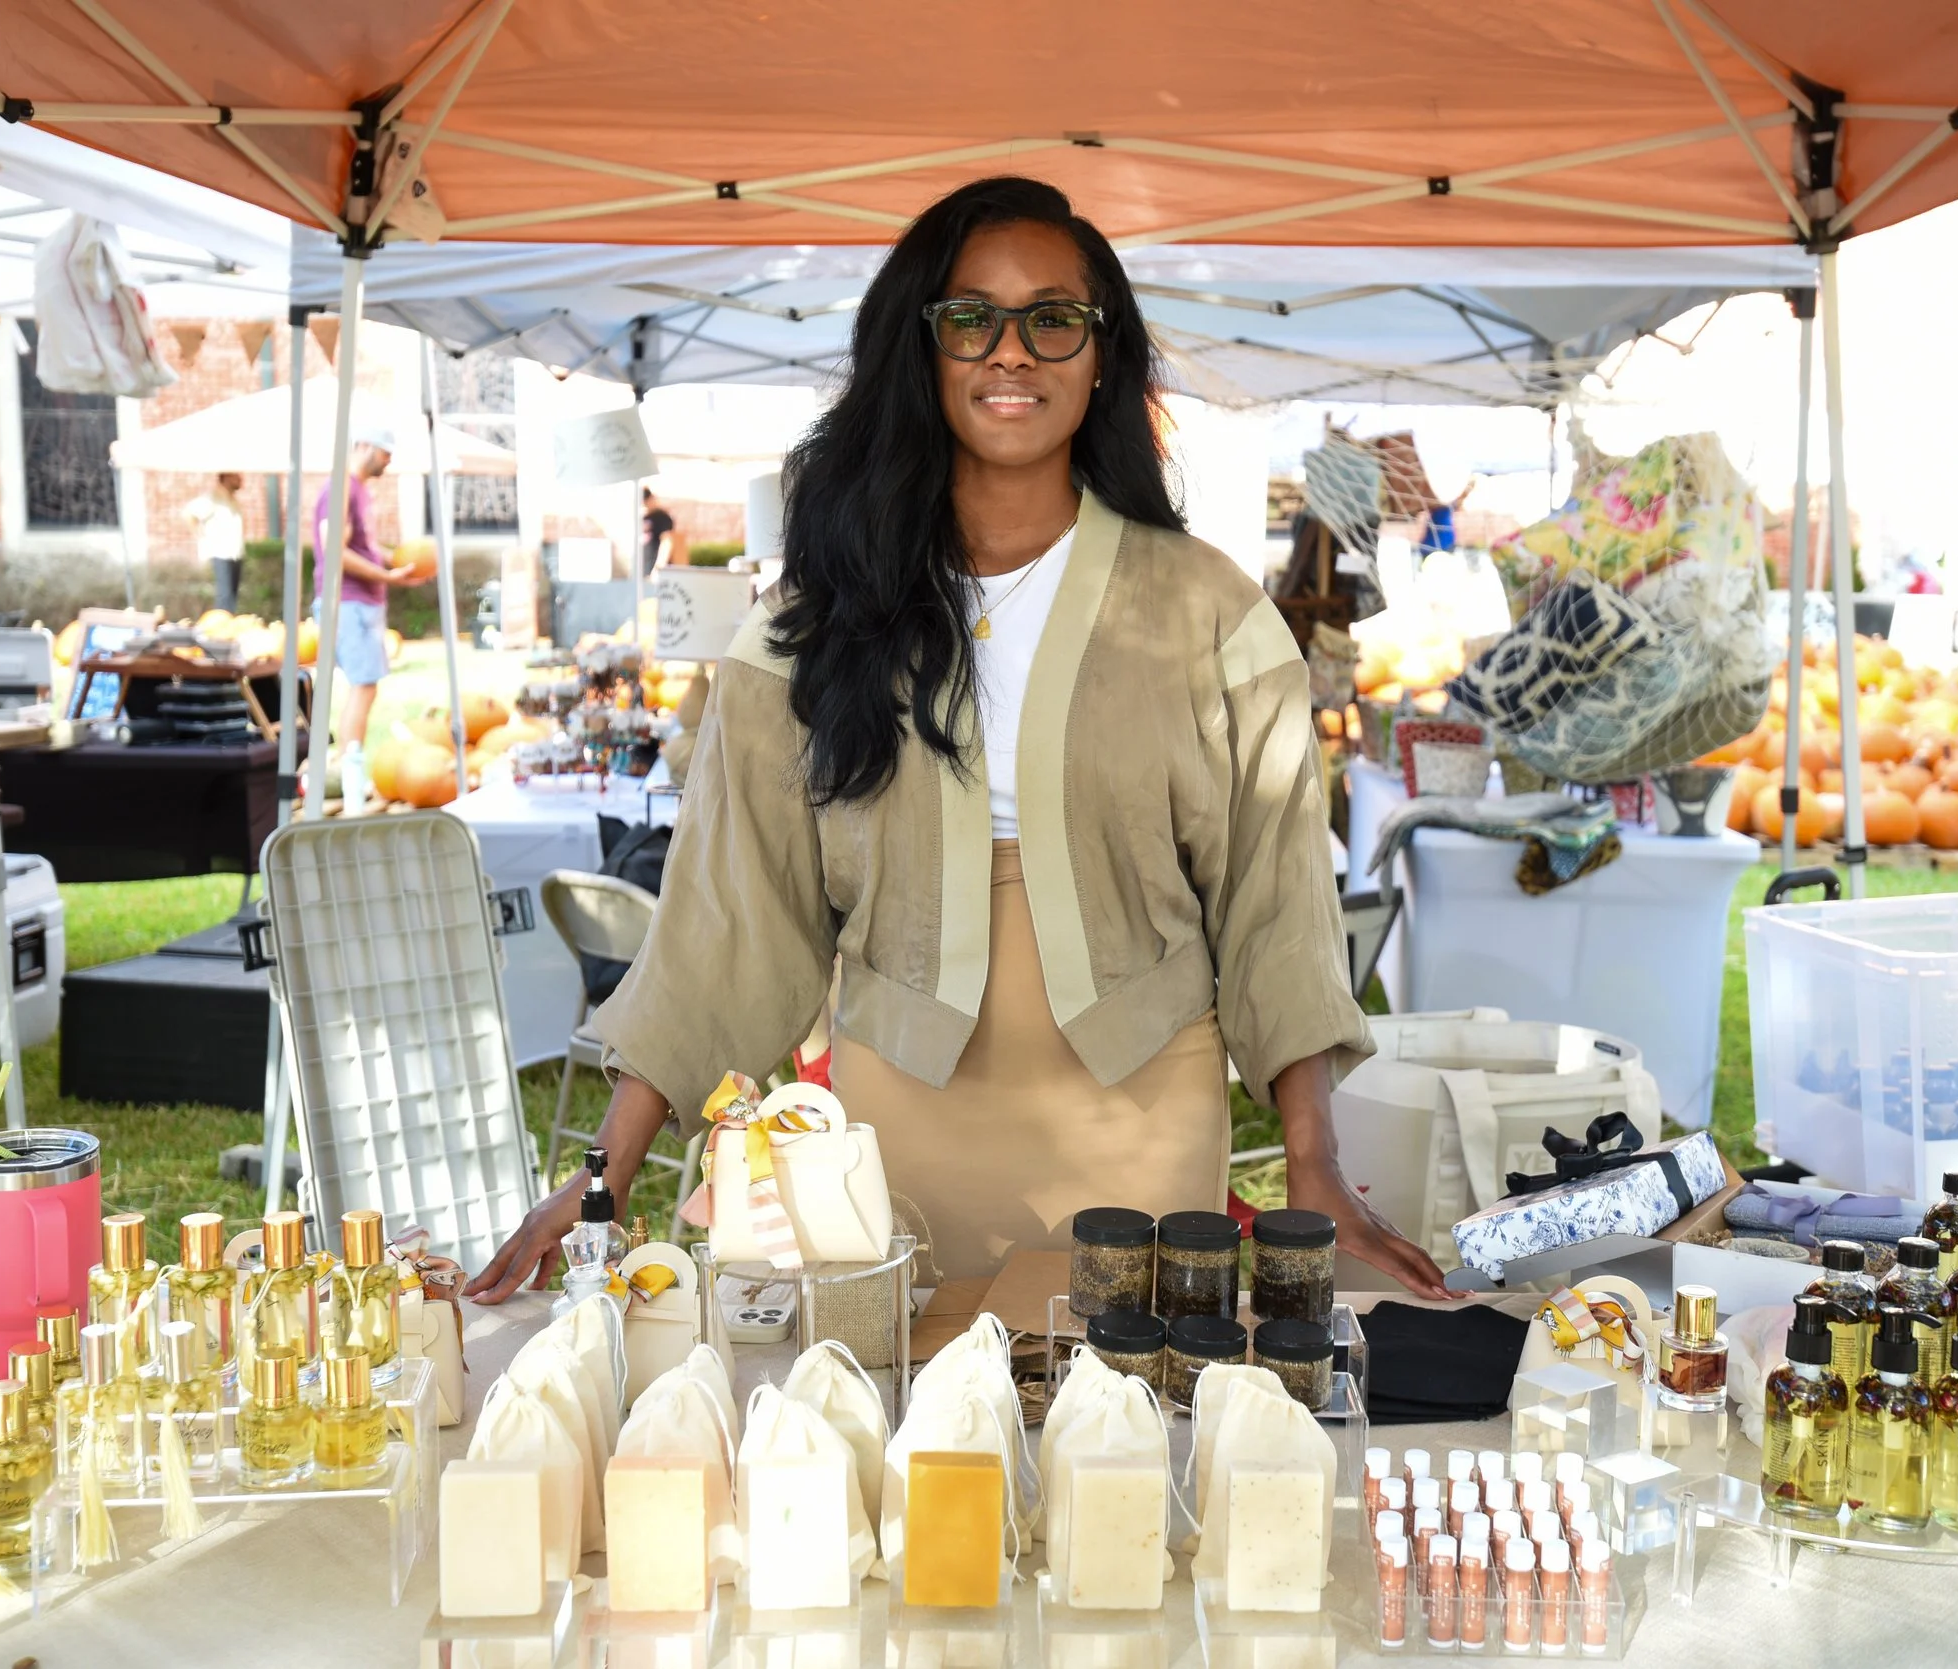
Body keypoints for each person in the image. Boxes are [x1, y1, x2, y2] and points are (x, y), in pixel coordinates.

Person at [467, 175, 1450, 1305]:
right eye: (970, 317)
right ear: (920, 350)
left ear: (1100, 352)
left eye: (1052, 318)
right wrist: (598, 1181)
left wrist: (1314, 1162)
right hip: (896, 1148)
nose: (1011, 352)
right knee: (915, 1453)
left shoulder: (1210, 614)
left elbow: (1276, 909)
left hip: (1140, 1133)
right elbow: (727, 924)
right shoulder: (808, 631)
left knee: (1122, 1449)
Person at [309, 425, 425, 787]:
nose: (388, 459)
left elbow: (359, 548)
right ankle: (350, 770)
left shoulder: (357, 491)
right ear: (362, 446)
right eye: (383, 451)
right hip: (348, 603)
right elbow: (335, 550)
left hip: (358, 603)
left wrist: (395, 563)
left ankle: (349, 765)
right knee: (363, 685)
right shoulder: (341, 489)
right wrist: (386, 577)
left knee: (364, 686)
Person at [182, 471, 248, 612]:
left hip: (235, 554)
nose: (240, 479)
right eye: (236, 476)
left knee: (232, 596)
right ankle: (221, 628)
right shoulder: (213, 498)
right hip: (221, 553)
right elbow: (189, 513)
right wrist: (200, 535)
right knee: (225, 597)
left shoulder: (232, 500)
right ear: (227, 477)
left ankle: (227, 624)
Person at [640, 487, 684, 574]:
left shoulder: (662, 517)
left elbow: (666, 541)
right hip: (644, 569)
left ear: (651, 499)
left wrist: (658, 567)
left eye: (645, 502)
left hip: (656, 570)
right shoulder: (644, 518)